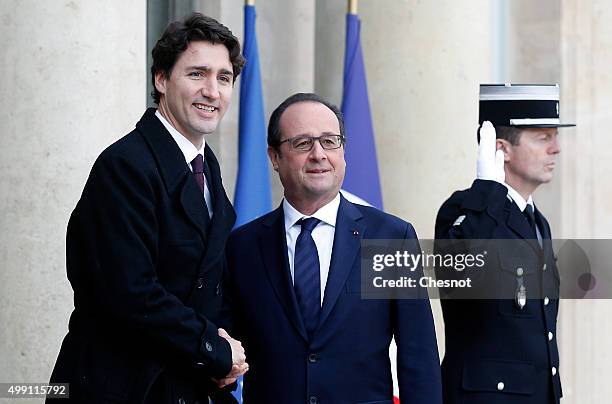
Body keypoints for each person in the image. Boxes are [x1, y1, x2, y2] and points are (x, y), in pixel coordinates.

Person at [48, 13, 248, 403]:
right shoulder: (124, 165)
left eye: (223, 78)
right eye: (196, 74)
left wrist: (225, 354)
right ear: (161, 80)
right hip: (120, 387)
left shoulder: (207, 168)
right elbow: (130, 291)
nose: (212, 90)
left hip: (182, 383)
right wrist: (214, 348)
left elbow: (207, 283)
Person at [223, 93, 442, 403]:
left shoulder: (390, 237)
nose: (318, 154)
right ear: (274, 157)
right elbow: (226, 352)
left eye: (330, 141)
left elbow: (418, 355)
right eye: (302, 143)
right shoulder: (242, 246)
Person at [435, 84, 574, 404]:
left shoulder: (537, 222)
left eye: (555, 136)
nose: (556, 149)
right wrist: (487, 189)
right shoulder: (464, 210)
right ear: (502, 148)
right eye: (543, 137)